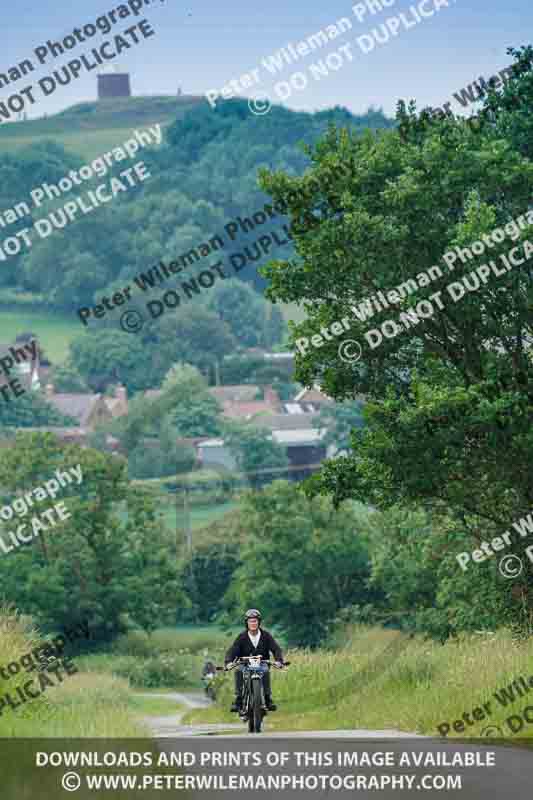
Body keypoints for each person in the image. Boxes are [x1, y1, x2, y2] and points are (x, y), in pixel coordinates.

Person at [224, 608, 283, 713]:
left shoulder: (266, 636)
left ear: (259, 622)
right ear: (246, 623)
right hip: (245, 664)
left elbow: (276, 649)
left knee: (265, 672)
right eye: (250, 621)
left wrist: (279, 660)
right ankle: (238, 699)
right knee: (238, 671)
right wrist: (228, 662)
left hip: (262, 664)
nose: (253, 623)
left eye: (255, 621)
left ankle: (268, 699)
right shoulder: (242, 637)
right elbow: (233, 650)